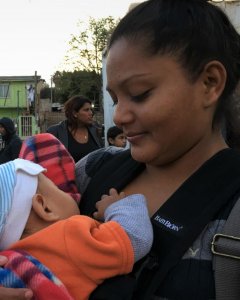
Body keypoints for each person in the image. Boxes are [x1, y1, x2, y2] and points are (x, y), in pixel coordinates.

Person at [2, 0, 240, 298]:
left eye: (140, 94)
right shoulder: (91, 170)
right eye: (115, 98)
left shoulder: (233, 213)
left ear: (210, 82)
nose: (119, 116)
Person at [0, 158, 153, 300]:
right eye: (57, 188)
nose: (74, 194)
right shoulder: (68, 237)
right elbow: (136, 236)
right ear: (45, 208)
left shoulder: (8, 264)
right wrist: (117, 206)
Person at [47, 95, 102, 163]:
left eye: (91, 109)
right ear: (74, 113)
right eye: (86, 110)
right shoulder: (55, 132)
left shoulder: (95, 129)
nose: (91, 113)